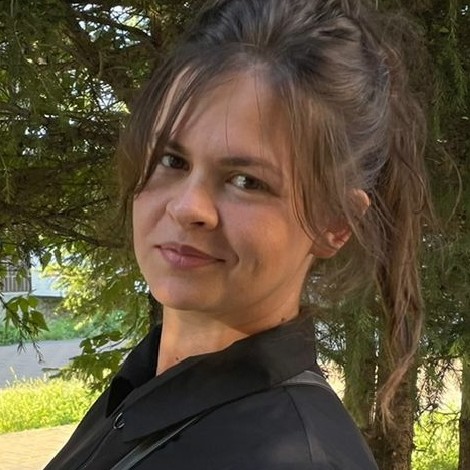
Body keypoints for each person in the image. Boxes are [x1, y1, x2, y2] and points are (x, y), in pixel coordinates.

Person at [45, 0, 431, 468]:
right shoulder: (145, 388)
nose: (188, 207)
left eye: (247, 181)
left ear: (335, 222)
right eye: (172, 160)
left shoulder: (291, 459)